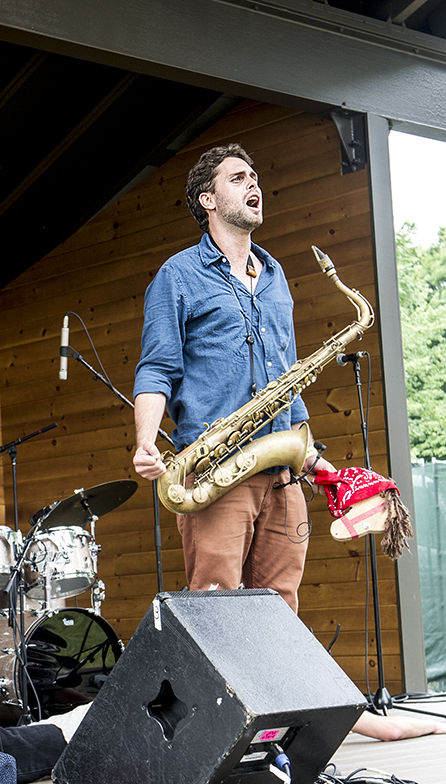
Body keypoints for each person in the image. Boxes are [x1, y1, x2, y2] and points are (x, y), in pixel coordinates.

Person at [133, 143, 333, 612]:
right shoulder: (177, 274)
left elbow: (288, 375)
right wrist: (146, 442)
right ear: (208, 199)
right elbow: (157, 367)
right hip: (218, 469)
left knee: (281, 612)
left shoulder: (276, 275)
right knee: (217, 609)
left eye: (255, 177)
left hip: (283, 472)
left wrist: (312, 458)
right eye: (238, 178)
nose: (253, 184)